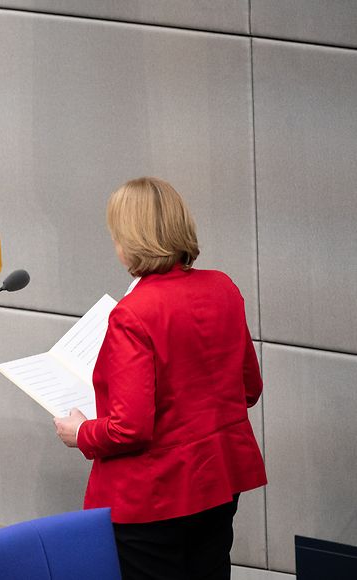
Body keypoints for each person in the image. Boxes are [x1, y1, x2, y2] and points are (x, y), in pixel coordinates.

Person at [54, 177, 266, 580]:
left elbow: (130, 429)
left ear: (129, 240)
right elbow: (249, 389)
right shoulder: (223, 288)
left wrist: (80, 432)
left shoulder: (133, 313)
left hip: (152, 499)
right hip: (218, 480)